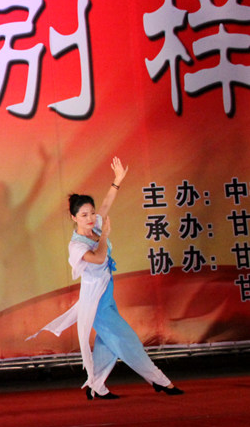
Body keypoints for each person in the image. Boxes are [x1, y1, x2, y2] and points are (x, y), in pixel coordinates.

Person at [28, 157, 184, 400]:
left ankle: (97, 386)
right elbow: (99, 258)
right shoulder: (77, 245)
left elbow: (106, 205)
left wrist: (117, 180)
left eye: (91, 212)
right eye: (84, 215)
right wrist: (104, 236)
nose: (90, 217)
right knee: (128, 340)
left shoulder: (96, 227)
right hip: (96, 303)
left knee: (108, 345)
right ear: (74, 218)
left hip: (107, 297)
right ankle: (161, 381)